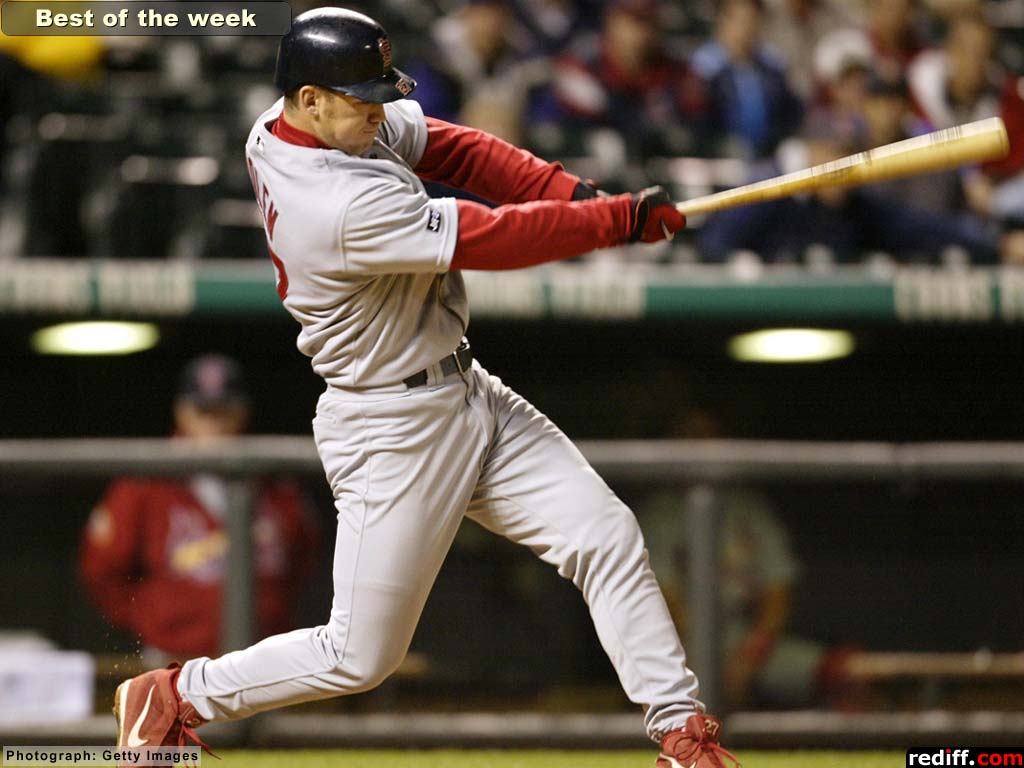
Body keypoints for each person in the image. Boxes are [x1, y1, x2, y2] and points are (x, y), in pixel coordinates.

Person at [111, 8, 734, 768]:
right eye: (362, 100)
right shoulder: (333, 206)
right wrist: (610, 225)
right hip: (391, 424)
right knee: (358, 656)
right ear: (310, 100)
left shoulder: (295, 122)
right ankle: (178, 694)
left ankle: (681, 736)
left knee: (606, 535)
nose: (380, 113)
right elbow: (489, 237)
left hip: (465, 388)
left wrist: (573, 195)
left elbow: (456, 148)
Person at [79, 355, 320, 661]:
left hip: (264, 660)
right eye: (203, 411)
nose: (214, 424)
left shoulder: (276, 483)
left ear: (243, 411)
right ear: (181, 411)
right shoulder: (147, 482)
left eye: (224, 411)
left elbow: (304, 560)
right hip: (176, 660)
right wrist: (152, 622)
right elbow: (102, 571)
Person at [692, 0, 804, 160]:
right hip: (719, 156)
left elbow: (790, 113)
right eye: (742, 21)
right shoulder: (703, 68)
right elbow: (699, 123)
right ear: (722, 21)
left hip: (771, 153)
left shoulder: (772, 65)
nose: (748, 29)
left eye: (754, 21)